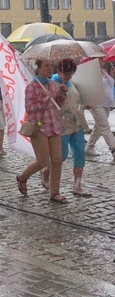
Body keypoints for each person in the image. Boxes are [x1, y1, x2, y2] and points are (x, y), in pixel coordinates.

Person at [15, 59, 69, 203]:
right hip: (39, 127)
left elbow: (57, 104)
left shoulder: (52, 84)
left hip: (53, 125)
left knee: (57, 160)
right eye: (46, 66)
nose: (50, 68)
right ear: (37, 69)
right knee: (42, 161)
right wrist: (45, 99)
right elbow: (29, 108)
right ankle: (22, 177)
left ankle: (55, 192)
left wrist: (62, 94)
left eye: (51, 65)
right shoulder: (32, 87)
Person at [47, 59, 92, 197]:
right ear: (59, 71)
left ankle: (77, 185)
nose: (69, 77)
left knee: (79, 153)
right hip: (61, 126)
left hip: (76, 124)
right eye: (67, 74)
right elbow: (50, 104)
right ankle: (45, 170)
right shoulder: (52, 84)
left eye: (71, 74)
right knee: (61, 156)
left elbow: (77, 99)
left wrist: (85, 104)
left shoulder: (71, 82)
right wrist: (59, 93)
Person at [84, 59, 115, 158]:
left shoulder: (104, 72)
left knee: (99, 126)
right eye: (101, 59)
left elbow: (109, 85)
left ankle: (89, 147)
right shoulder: (90, 73)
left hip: (106, 103)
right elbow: (87, 87)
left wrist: (112, 75)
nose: (104, 61)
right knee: (105, 126)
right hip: (96, 103)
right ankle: (113, 149)